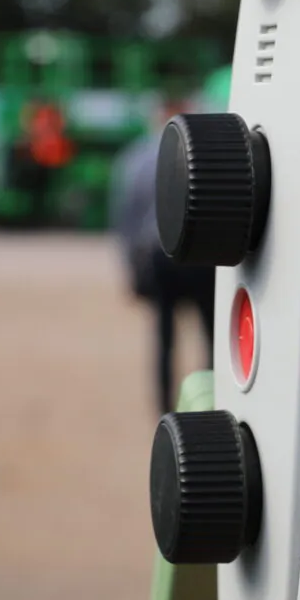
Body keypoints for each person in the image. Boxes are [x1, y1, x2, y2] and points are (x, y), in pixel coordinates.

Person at [113, 103, 217, 413]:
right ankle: (211, 404)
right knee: (211, 336)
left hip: (159, 256)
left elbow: (126, 219)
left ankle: (164, 409)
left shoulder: (136, 157)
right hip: (201, 255)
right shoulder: (203, 155)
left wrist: (131, 270)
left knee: (164, 339)